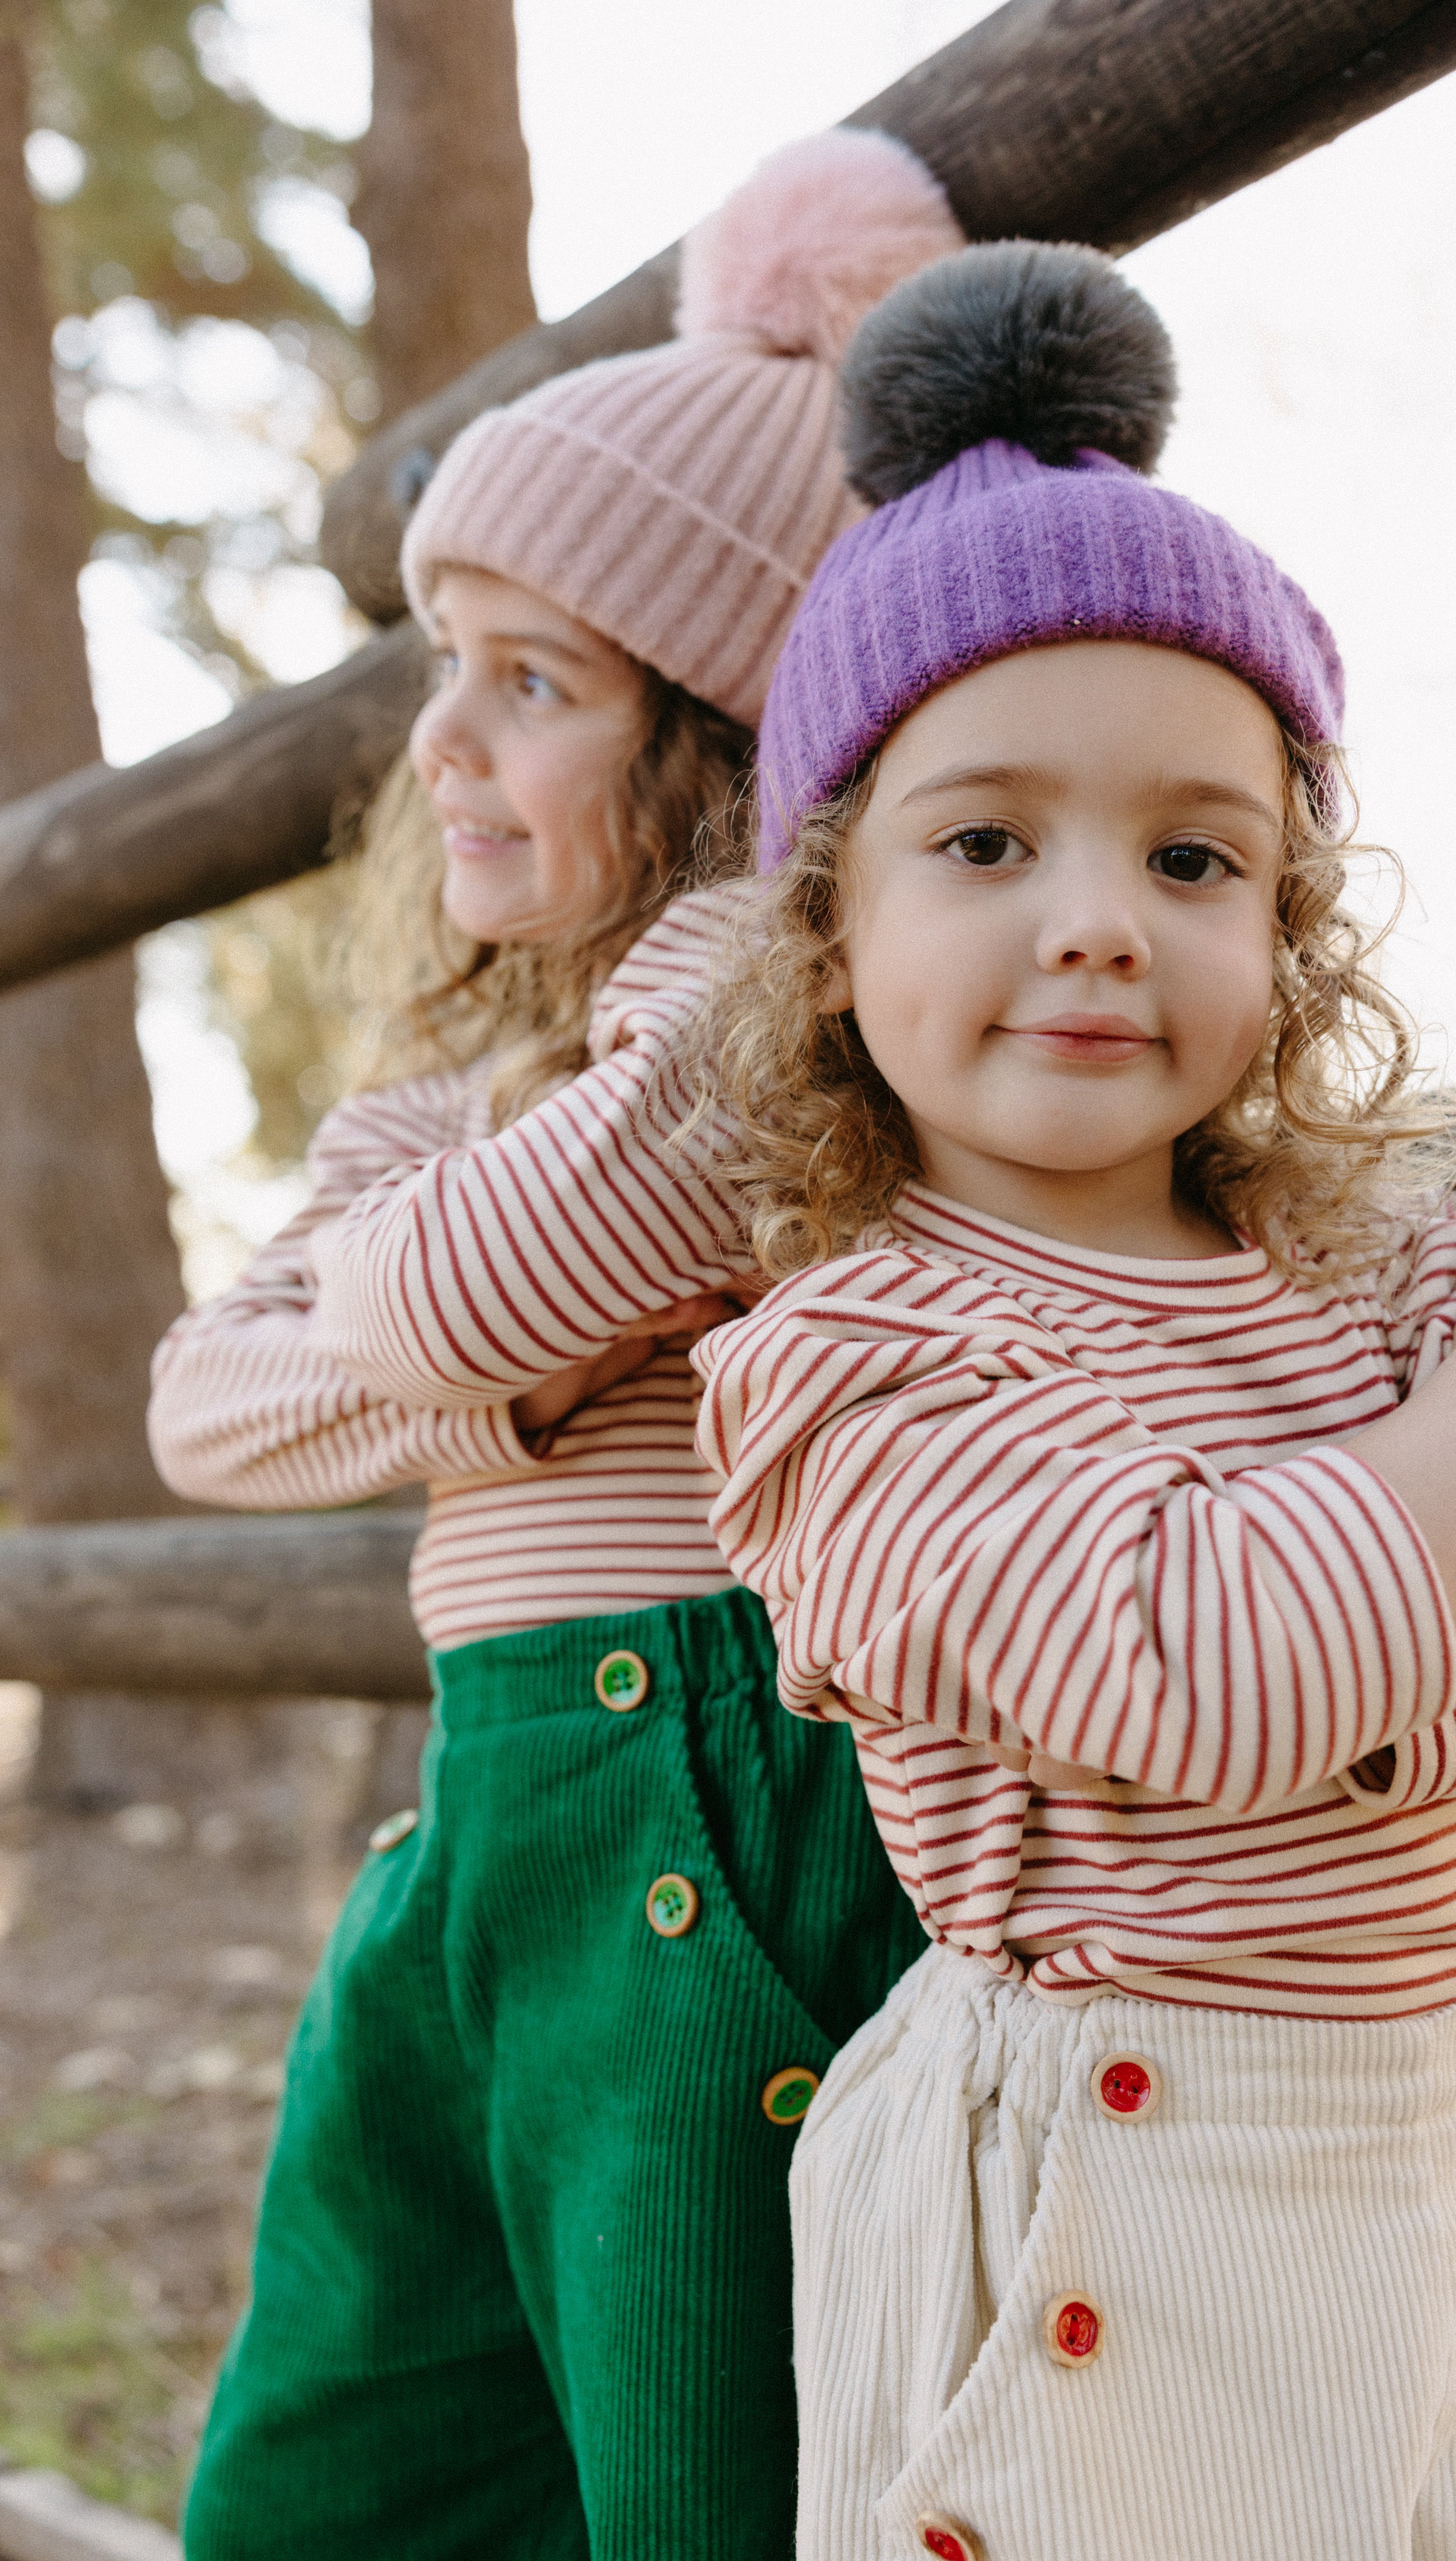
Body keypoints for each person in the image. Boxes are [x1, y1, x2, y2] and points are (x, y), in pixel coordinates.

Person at [302, 242, 1456, 2561]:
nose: (1095, 918)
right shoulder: (849, 1365)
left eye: (1193, 855)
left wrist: (1334, 1624)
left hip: (1454, 2132)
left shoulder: (1367, 1265)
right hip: (1109, 2193)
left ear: (1290, 923)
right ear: (829, 937)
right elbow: (1222, 1669)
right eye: (985, 841)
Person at [146, 129, 961, 2561]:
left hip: (706, 1781)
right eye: (446, 672)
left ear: (721, 746)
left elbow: (421, 1290)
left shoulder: (762, 993)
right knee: (322, 2483)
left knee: (705, 2487)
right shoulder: (467, 1086)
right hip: (486, 1826)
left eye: (538, 685)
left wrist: (432, 1291)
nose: (447, 745)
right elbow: (208, 1405)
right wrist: (527, 1345)